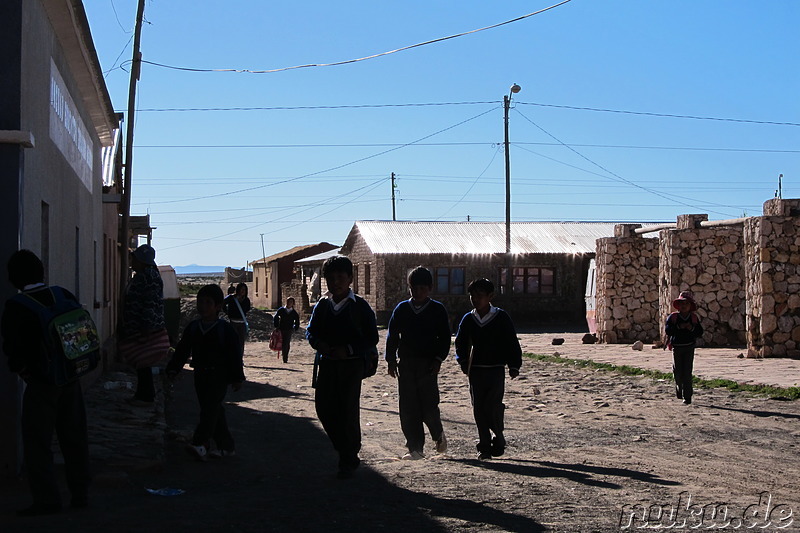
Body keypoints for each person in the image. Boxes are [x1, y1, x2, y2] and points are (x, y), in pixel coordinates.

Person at [1, 250, 90, 515]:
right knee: (74, 438)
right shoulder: (63, 295)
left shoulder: (18, 306)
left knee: (38, 443)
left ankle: (47, 500)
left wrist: (25, 372)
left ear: (14, 277)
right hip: (72, 378)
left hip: (42, 384)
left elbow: (13, 349)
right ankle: (80, 493)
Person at [306, 256, 379, 478]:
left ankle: (348, 457)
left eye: (340, 277)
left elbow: (371, 337)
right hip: (327, 364)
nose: (336, 281)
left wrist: (347, 349)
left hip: (351, 366)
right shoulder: (323, 305)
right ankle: (345, 450)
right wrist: (320, 345)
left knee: (347, 410)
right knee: (324, 409)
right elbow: (311, 332)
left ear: (349, 278)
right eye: (331, 277)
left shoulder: (360, 307)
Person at [166, 284, 245, 460]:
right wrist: (173, 368)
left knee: (209, 410)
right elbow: (183, 350)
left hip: (219, 376)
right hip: (200, 374)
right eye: (200, 302)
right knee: (212, 409)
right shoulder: (194, 328)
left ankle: (201, 444)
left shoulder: (225, 330)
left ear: (218, 307)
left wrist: (237, 377)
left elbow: (234, 355)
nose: (203, 306)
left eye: (208, 302)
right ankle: (226, 446)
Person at [385, 266, 451, 460]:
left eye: (423, 288)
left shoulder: (437, 310)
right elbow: (392, 335)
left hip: (428, 365)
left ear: (429, 288)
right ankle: (415, 447)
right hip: (405, 364)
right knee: (408, 407)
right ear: (409, 288)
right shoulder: (402, 309)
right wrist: (390, 359)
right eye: (415, 288)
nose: (418, 292)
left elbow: (445, 338)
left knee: (428, 405)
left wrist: (439, 359)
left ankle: (437, 433)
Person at [455, 278, 522, 461]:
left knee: (493, 407)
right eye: (472, 295)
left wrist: (514, 364)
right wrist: (462, 362)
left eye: (479, 295)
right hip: (475, 370)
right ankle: (484, 445)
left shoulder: (501, 317)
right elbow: (460, 343)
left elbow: (511, 342)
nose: (475, 299)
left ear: (490, 296)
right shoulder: (469, 319)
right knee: (478, 409)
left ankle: (498, 436)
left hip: (495, 370)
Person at [120, 244, 165, 405]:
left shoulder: (148, 277)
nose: (132, 261)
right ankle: (144, 393)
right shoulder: (143, 275)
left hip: (143, 327)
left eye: (134, 258)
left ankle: (146, 395)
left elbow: (149, 304)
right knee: (141, 363)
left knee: (143, 361)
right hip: (137, 326)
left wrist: (146, 328)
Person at [665, 291, 704, 405]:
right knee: (678, 371)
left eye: (686, 304)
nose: (684, 306)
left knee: (687, 372)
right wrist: (678, 327)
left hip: (689, 347)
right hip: (677, 347)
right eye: (682, 303)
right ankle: (679, 385)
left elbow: (699, 332)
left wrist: (691, 328)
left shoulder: (693, 318)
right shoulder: (673, 318)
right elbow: (668, 330)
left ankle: (687, 396)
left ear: (690, 306)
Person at [223, 283, 251, 358]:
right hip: (233, 322)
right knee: (232, 341)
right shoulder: (231, 298)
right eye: (241, 289)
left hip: (242, 323)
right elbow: (223, 303)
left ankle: (239, 358)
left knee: (241, 342)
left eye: (244, 290)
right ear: (238, 290)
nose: (243, 291)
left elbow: (247, 309)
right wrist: (228, 312)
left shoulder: (246, 300)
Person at [274, 297, 300, 363]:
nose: (289, 303)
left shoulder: (293, 312)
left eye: (291, 302)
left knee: (286, 342)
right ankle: (283, 353)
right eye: (288, 301)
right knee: (282, 342)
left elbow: (297, 320)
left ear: (293, 303)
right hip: (281, 328)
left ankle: (285, 356)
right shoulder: (281, 310)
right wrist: (276, 325)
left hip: (289, 329)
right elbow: (276, 317)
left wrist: (296, 327)